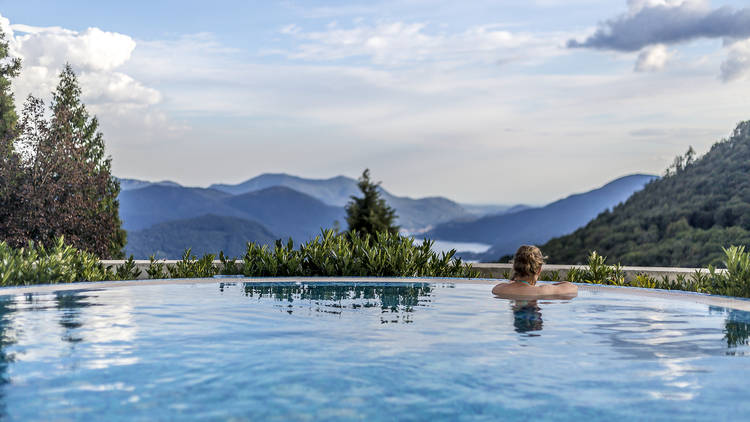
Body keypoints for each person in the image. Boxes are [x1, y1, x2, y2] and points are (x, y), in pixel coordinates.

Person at [492, 245, 577, 298]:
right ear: (539, 270)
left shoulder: (498, 288)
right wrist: (548, 286)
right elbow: (573, 287)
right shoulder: (542, 291)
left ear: (515, 267)